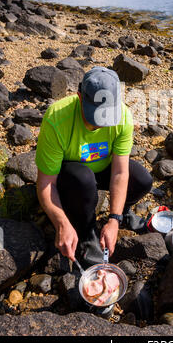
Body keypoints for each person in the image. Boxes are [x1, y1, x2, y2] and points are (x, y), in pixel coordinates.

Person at [36, 66, 153, 268]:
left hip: (105, 167)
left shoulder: (123, 117)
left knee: (142, 180)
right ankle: (86, 232)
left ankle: (123, 213)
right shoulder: (57, 118)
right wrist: (61, 223)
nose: (102, 124)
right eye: (96, 116)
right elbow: (45, 183)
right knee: (84, 180)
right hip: (72, 175)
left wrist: (114, 219)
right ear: (80, 97)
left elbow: (119, 172)